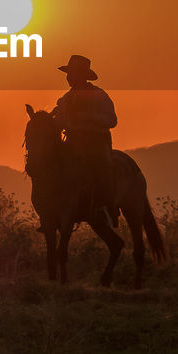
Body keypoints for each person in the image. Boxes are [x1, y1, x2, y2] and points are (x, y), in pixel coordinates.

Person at [52, 54, 118, 227]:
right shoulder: (65, 99)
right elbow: (59, 122)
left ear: (81, 75)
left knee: (101, 168)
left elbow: (112, 120)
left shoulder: (99, 95)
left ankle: (107, 206)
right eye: (68, 74)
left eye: (72, 74)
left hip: (96, 143)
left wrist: (90, 118)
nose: (68, 77)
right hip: (73, 143)